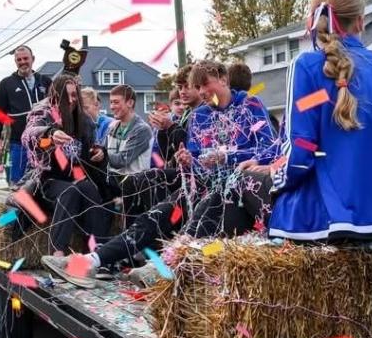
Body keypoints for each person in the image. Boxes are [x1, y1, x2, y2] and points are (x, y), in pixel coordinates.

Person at [42, 60, 277, 288]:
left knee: (205, 217)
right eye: (198, 87)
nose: (201, 92)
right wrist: (187, 160)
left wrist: (228, 156)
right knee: (152, 218)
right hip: (201, 187)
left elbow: (269, 149)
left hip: (235, 197)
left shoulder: (250, 105)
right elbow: (196, 159)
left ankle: (163, 268)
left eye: (205, 85)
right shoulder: (200, 115)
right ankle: (90, 263)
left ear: (224, 80)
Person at [259, 0, 372, 240]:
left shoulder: (305, 66)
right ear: (361, 22)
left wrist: (273, 178)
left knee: (244, 186)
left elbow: (300, 154)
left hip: (332, 221)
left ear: (315, 20)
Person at [22, 74, 107, 256]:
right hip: (47, 180)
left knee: (90, 189)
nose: (70, 100)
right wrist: (49, 135)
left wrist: (100, 153)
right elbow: (28, 135)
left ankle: (97, 253)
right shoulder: (43, 114)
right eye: (65, 95)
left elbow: (91, 149)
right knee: (71, 191)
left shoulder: (84, 121)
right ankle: (57, 252)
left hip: (75, 177)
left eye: (74, 95)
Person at [0, 45, 52, 185]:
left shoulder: (45, 81)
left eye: (26, 58)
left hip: (45, 143)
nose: (23, 62)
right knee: (18, 183)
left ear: (33, 59)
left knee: (44, 181)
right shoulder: (7, 84)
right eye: (19, 59)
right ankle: (19, 205)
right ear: (15, 62)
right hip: (19, 143)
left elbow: (56, 107)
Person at [88, 85, 153, 177]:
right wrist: (97, 150)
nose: (112, 107)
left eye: (116, 102)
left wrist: (103, 155)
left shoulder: (142, 130)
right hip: (113, 181)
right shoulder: (113, 126)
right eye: (111, 102)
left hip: (134, 186)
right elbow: (103, 149)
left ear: (130, 103)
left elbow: (122, 160)